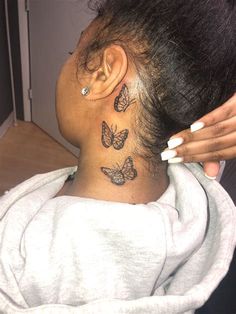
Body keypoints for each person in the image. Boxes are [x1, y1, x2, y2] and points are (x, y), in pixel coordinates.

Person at [0, 0, 235, 313]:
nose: (66, 63)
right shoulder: (194, 197)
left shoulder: (21, 261)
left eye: (74, 53)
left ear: (104, 72)